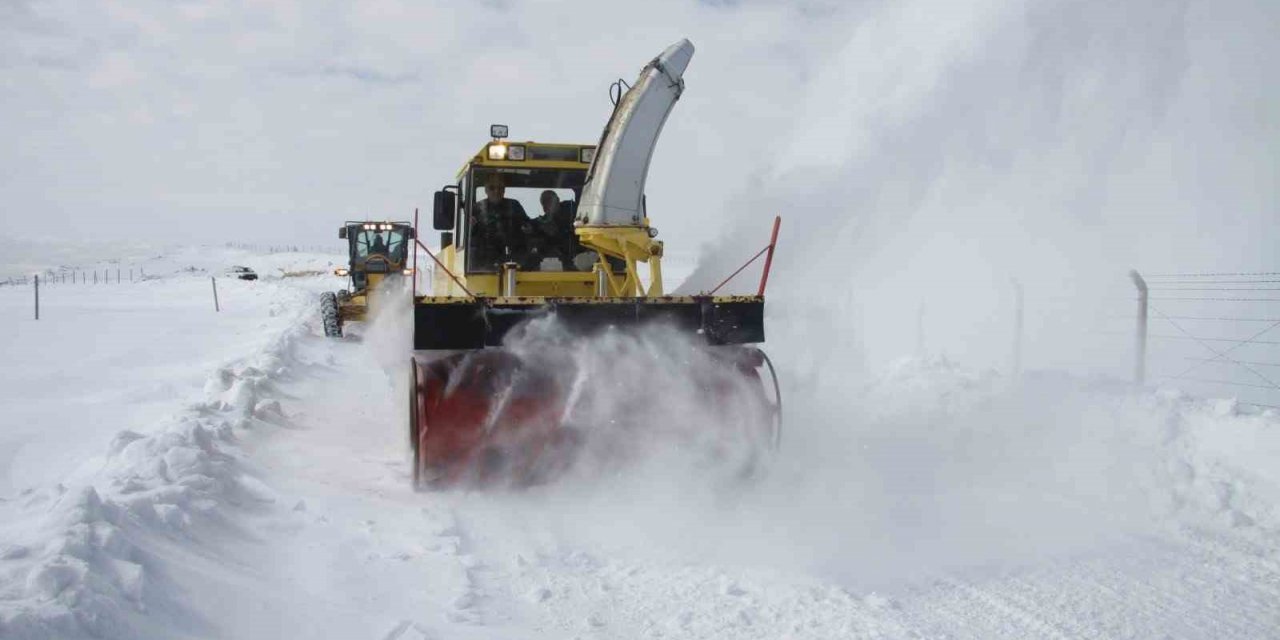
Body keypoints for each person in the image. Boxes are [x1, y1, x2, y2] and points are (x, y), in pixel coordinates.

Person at [470, 174, 531, 268]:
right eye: (492, 187)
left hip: (514, 259)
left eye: (500, 188)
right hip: (485, 262)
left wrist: (527, 228)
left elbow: (527, 226)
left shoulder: (514, 205)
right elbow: (470, 235)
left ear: (504, 190)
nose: (496, 191)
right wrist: (472, 226)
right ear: (486, 190)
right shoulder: (477, 208)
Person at [534, 190, 580, 270]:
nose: (546, 206)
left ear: (558, 200)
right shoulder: (541, 222)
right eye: (544, 203)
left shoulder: (571, 209)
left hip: (580, 261)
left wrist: (559, 231)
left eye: (549, 201)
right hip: (553, 265)